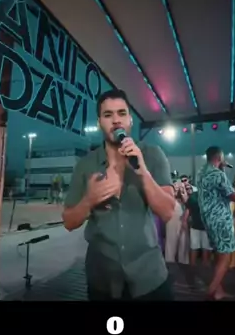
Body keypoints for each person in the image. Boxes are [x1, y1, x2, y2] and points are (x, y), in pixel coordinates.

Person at [62, 89, 175, 300]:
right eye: (108, 115)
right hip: (102, 278)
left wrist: (142, 171)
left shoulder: (152, 155)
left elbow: (167, 212)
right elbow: (68, 221)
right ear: (99, 123)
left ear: (130, 120)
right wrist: (89, 200)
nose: (116, 120)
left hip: (148, 275)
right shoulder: (85, 165)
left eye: (122, 113)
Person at [197, 147, 235, 300]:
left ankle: (219, 291)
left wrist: (222, 169)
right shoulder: (218, 175)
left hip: (208, 220)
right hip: (221, 220)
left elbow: (217, 191)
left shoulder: (201, 173)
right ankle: (211, 291)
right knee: (226, 257)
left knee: (218, 254)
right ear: (219, 157)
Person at [182, 185, 212, 267]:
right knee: (200, 247)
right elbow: (188, 209)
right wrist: (184, 220)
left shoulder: (194, 196)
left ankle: (196, 266)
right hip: (200, 227)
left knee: (198, 247)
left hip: (202, 227)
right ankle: (197, 266)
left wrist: (184, 220)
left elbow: (188, 209)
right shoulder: (195, 196)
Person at [165, 182, 189, 264]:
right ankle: (169, 262)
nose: (179, 189)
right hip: (172, 219)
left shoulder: (186, 198)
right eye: (176, 187)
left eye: (181, 188)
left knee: (183, 243)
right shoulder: (170, 196)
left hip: (183, 220)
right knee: (171, 242)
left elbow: (188, 205)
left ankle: (183, 263)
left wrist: (183, 194)